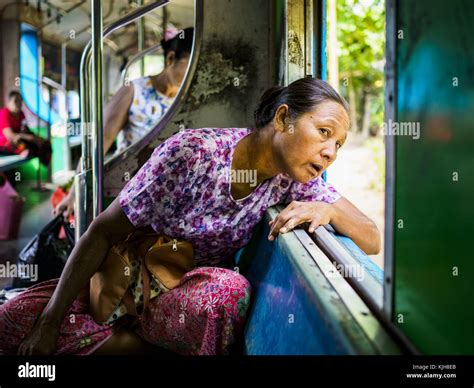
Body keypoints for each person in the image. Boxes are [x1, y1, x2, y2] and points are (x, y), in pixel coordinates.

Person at [0, 77, 381, 356]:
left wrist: (328, 210)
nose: (331, 151)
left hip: (183, 302)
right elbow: (101, 233)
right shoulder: (192, 153)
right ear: (283, 119)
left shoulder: (295, 181)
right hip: (124, 283)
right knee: (13, 322)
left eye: (339, 145)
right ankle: (132, 341)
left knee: (228, 294)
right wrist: (49, 323)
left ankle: (131, 340)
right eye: (324, 132)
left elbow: (371, 237)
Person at [53, 27, 194, 217]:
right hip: (130, 186)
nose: (193, 76)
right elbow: (98, 144)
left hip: (172, 191)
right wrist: (74, 193)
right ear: (170, 59)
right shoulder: (134, 90)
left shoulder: (190, 100)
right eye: (190, 66)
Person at [0, 90, 52, 166]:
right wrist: (30, 137)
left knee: (44, 143)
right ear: (9, 102)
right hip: (6, 144)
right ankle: (26, 151)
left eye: (20, 101)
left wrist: (36, 138)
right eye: (16, 101)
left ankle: (44, 161)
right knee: (20, 142)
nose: (19, 104)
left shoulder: (21, 114)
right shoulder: (3, 114)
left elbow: (25, 130)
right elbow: (10, 136)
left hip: (20, 141)